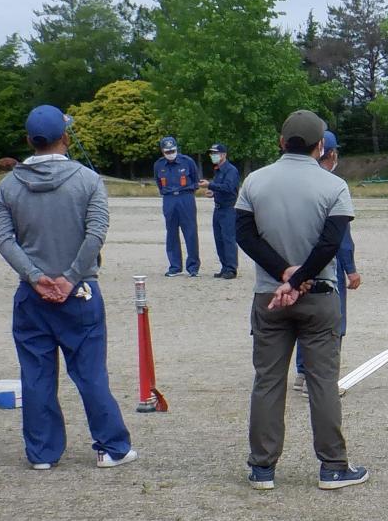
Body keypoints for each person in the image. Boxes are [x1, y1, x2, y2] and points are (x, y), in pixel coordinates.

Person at [0, 105, 137, 470]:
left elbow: (3, 238)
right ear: (65, 139)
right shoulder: (88, 180)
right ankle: (111, 447)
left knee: (36, 373)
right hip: (81, 290)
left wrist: (34, 275)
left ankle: (42, 452)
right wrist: (71, 276)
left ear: (29, 141)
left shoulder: (8, 187)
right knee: (90, 372)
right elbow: (96, 233)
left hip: (31, 294)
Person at [233, 110, 366, 491]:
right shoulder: (333, 186)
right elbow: (330, 243)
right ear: (320, 145)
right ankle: (333, 466)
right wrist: (302, 276)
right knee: (322, 381)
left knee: (268, 381)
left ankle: (262, 467)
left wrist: (283, 274)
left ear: (281, 142)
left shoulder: (254, 181)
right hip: (319, 294)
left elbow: (244, 235)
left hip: (269, 295)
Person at [295, 132, 360, 389]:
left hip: (299, 261)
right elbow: (341, 235)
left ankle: (302, 372)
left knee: (303, 317)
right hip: (329, 265)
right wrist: (351, 269)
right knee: (333, 321)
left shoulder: (296, 183)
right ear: (330, 154)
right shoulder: (334, 186)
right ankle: (321, 376)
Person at [153, 136, 201, 278]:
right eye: (167, 152)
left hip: (185, 197)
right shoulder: (159, 165)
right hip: (169, 199)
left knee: (190, 232)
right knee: (171, 232)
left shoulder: (187, 162)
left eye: (172, 150)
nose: (170, 153)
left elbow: (195, 179)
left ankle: (193, 267)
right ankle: (175, 266)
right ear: (162, 151)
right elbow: (159, 183)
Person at [201, 143, 241, 279]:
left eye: (215, 153)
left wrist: (210, 185)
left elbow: (229, 187)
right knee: (219, 239)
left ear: (223, 155)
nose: (213, 156)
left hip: (228, 209)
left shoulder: (231, 170)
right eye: (212, 153)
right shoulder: (218, 170)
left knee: (228, 238)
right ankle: (224, 267)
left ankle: (231, 268)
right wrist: (213, 192)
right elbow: (220, 188)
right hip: (218, 208)